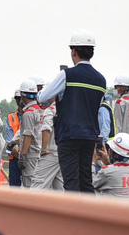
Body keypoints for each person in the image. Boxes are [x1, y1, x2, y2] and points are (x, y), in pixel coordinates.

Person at [40, 31, 107, 193]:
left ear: (73, 51)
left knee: (70, 182)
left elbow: (43, 98)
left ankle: (73, 216)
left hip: (68, 135)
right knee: (86, 181)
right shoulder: (101, 80)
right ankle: (88, 216)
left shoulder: (67, 75)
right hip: (89, 136)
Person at [92, 133, 129, 200]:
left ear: (111, 152)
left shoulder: (107, 171)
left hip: (118, 209)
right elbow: (115, 174)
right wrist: (107, 163)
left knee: (94, 191)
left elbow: (92, 184)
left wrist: (93, 162)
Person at [32, 93, 64, 190]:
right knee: (61, 189)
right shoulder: (65, 109)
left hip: (50, 152)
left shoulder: (50, 110)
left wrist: (43, 149)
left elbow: (46, 129)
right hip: (63, 154)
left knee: (37, 186)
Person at [17, 79, 43, 186]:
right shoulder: (40, 110)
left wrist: (22, 155)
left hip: (30, 154)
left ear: (22, 95)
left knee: (29, 184)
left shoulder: (28, 113)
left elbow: (28, 136)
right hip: (40, 152)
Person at [6, 95, 23, 187]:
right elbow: (9, 136)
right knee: (14, 186)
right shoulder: (11, 117)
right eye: (17, 98)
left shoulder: (32, 113)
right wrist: (14, 147)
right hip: (14, 155)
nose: (19, 101)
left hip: (27, 154)